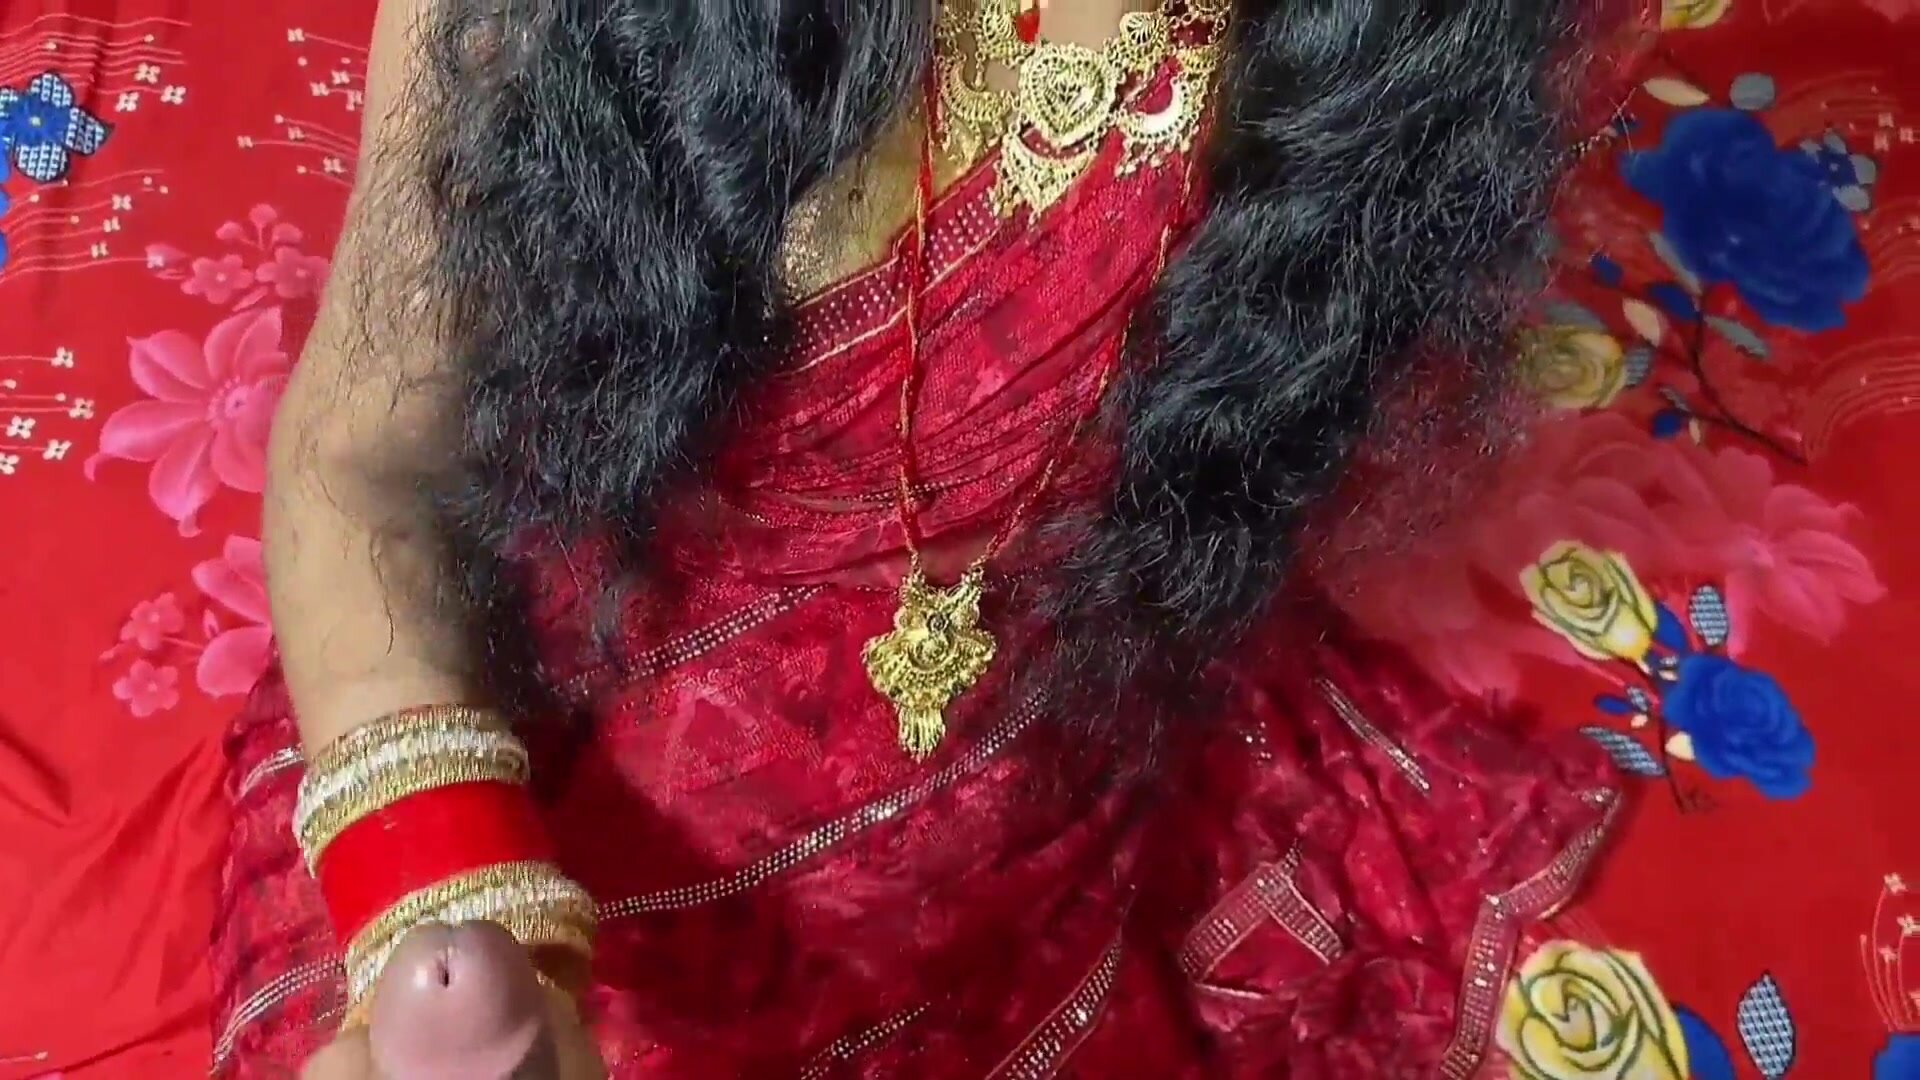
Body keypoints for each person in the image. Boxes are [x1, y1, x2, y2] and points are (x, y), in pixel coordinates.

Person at [222, 0, 1651, 1075]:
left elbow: (1237, 432)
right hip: (581, 767)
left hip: (1065, 767)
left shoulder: (1395, 42)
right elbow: (358, 465)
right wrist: (449, 905)